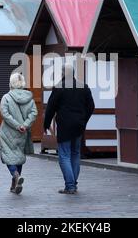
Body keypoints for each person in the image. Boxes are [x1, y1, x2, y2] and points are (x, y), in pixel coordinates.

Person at [44, 64, 95, 194]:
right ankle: (73, 184)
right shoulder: (83, 87)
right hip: (79, 126)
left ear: (62, 73)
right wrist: (84, 120)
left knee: (64, 156)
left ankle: (70, 185)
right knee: (75, 154)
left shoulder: (59, 88)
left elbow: (50, 108)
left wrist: (46, 124)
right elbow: (91, 106)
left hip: (64, 126)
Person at [0, 73, 37, 194]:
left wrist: (16, 125)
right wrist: (24, 125)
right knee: (18, 156)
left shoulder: (6, 97)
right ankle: (15, 184)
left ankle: (15, 175)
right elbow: (34, 113)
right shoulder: (29, 98)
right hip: (23, 132)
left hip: (7, 131)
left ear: (11, 83)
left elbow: (5, 114)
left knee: (7, 155)